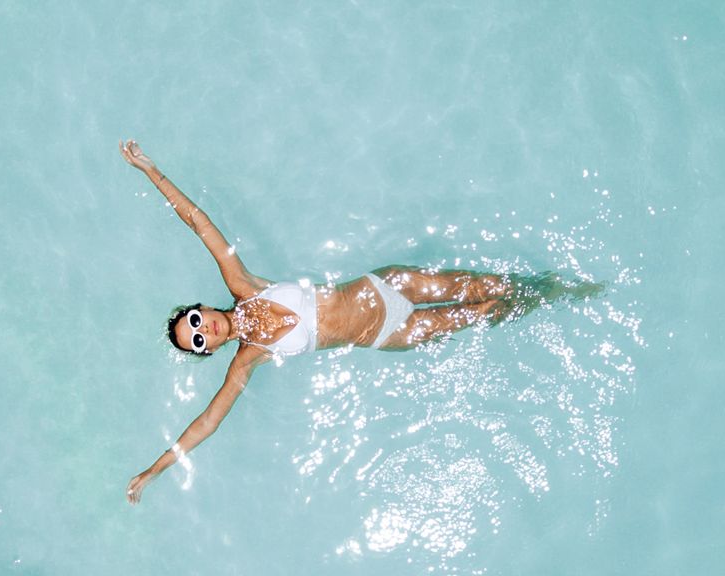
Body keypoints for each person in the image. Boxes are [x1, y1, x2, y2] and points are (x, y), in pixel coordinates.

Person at [120, 140, 597, 504]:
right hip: (387, 333)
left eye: (196, 321)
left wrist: (151, 170)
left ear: (201, 307)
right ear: (211, 351)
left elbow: (199, 223)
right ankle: (553, 299)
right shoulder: (248, 361)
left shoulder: (244, 284)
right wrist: (157, 469)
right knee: (482, 314)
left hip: (389, 287)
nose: (207, 329)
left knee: (486, 287)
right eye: (199, 341)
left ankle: (559, 286)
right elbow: (207, 422)